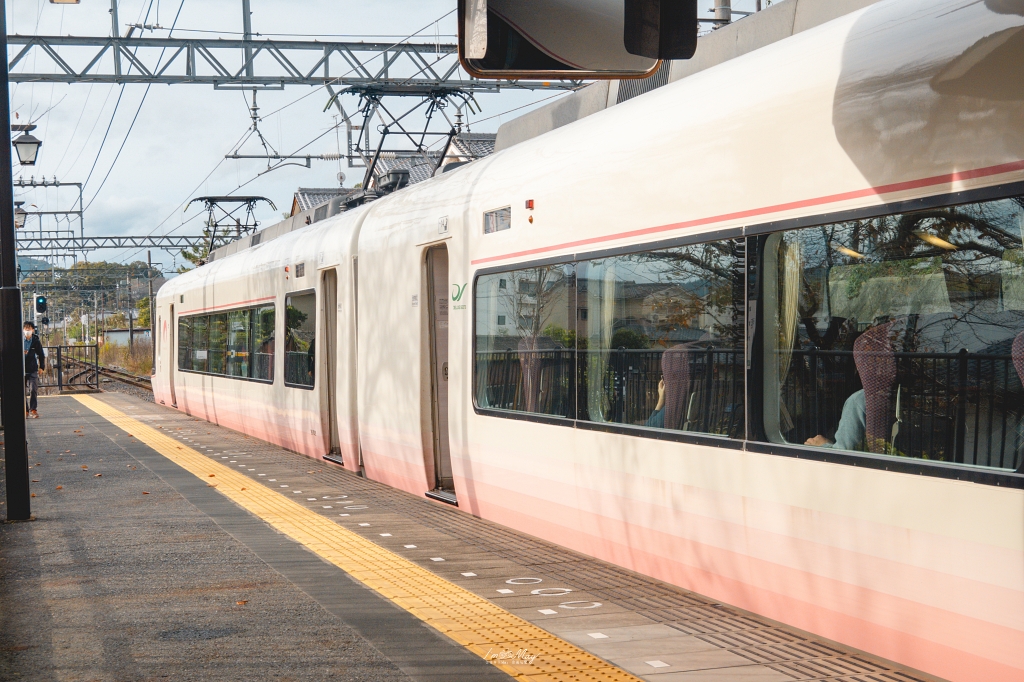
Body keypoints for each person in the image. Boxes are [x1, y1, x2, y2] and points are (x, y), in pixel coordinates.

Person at [23, 321, 45, 418]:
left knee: (33, 389)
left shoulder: (35, 340)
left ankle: (33, 409)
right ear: (23, 330)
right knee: (22, 391)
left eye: (29, 328)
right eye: (26, 328)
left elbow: (41, 354)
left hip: (32, 369)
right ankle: (25, 410)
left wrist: (42, 367)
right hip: (21, 369)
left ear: (33, 330)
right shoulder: (19, 339)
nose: (27, 330)